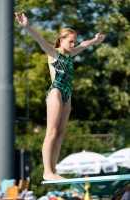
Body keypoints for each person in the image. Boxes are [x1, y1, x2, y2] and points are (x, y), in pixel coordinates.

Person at [15, 13, 105, 181]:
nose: (73, 44)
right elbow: (39, 39)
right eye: (70, 41)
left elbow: (84, 45)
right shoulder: (53, 52)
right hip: (56, 91)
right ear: (61, 40)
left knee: (61, 133)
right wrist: (26, 26)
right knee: (52, 131)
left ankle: (53, 171)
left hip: (67, 94)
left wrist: (95, 40)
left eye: (74, 41)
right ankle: (47, 171)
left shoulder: (70, 54)